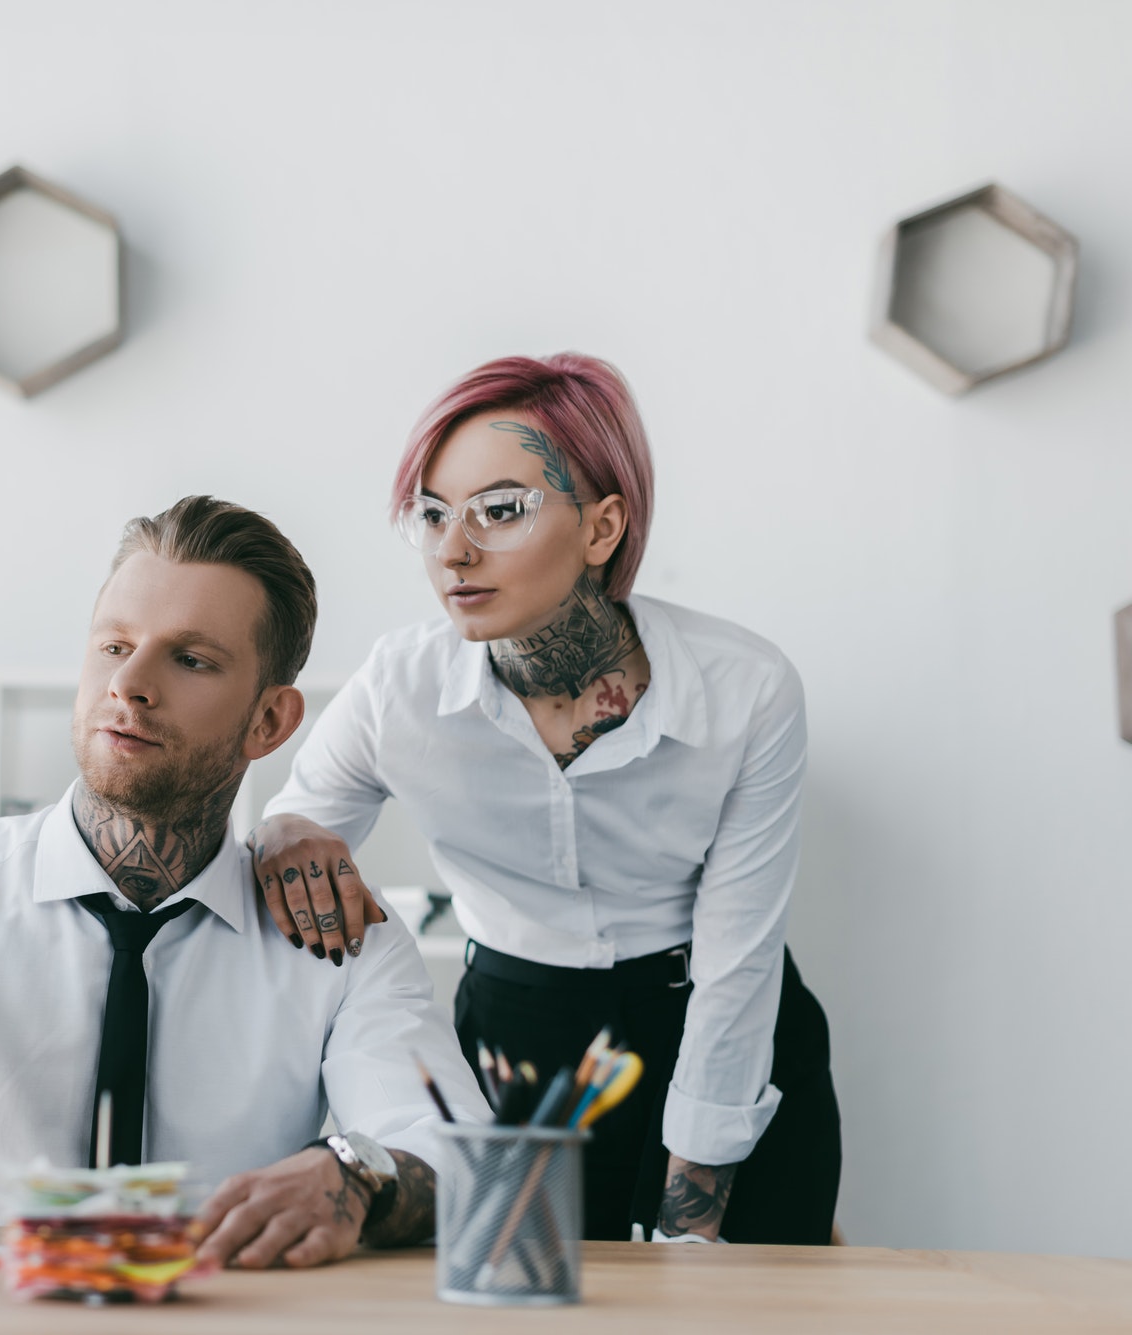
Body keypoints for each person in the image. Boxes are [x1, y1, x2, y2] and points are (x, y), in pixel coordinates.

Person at [0, 496, 489, 1269]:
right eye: (114, 646)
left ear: (270, 722)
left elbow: (459, 1154)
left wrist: (354, 1175)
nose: (131, 684)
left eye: (191, 659)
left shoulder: (336, 936)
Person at [248, 355, 840, 1245]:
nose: (454, 549)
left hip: (721, 1027)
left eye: (501, 509)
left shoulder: (746, 689)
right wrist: (286, 831)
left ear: (603, 527)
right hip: (514, 1043)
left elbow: (739, 960)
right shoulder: (399, 686)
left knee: (746, 1307)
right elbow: (297, 821)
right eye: (435, 514)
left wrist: (696, 1207)